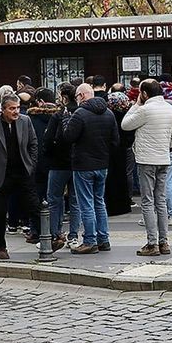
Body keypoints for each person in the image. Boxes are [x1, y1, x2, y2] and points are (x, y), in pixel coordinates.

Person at [122, 79, 172, 256]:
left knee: (147, 201)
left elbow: (125, 124)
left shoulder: (144, 110)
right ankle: (164, 242)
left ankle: (152, 243)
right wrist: (164, 146)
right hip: (164, 159)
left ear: (144, 93)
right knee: (161, 200)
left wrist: (136, 105)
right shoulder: (171, 109)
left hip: (146, 160)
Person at [0, 94, 40, 260]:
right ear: (3, 109)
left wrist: (31, 165)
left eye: (18, 108)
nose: (16, 111)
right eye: (12, 108)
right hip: (1, 174)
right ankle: (0, 247)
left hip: (23, 172)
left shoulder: (25, 121)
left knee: (34, 206)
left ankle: (49, 238)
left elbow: (33, 144)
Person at [62, 83, 120, 254]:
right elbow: (115, 141)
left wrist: (66, 120)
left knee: (86, 203)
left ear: (81, 95)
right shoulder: (108, 113)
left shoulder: (80, 113)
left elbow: (68, 137)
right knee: (99, 202)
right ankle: (103, 239)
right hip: (102, 164)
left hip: (83, 165)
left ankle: (90, 240)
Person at [44, 83, 81, 249]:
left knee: (54, 199)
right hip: (77, 163)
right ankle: (73, 236)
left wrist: (49, 154)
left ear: (64, 97)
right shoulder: (81, 114)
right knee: (75, 201)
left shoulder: (58, 116)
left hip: (58, 163)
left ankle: (55, 233)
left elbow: (48, 140)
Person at [104, 92, 135, 216]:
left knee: (111, 179)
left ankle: (111, 205)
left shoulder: (107, 116)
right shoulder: (128, 116)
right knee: (125, 175)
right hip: (124, 149)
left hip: (110, 150)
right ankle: (124, 203)